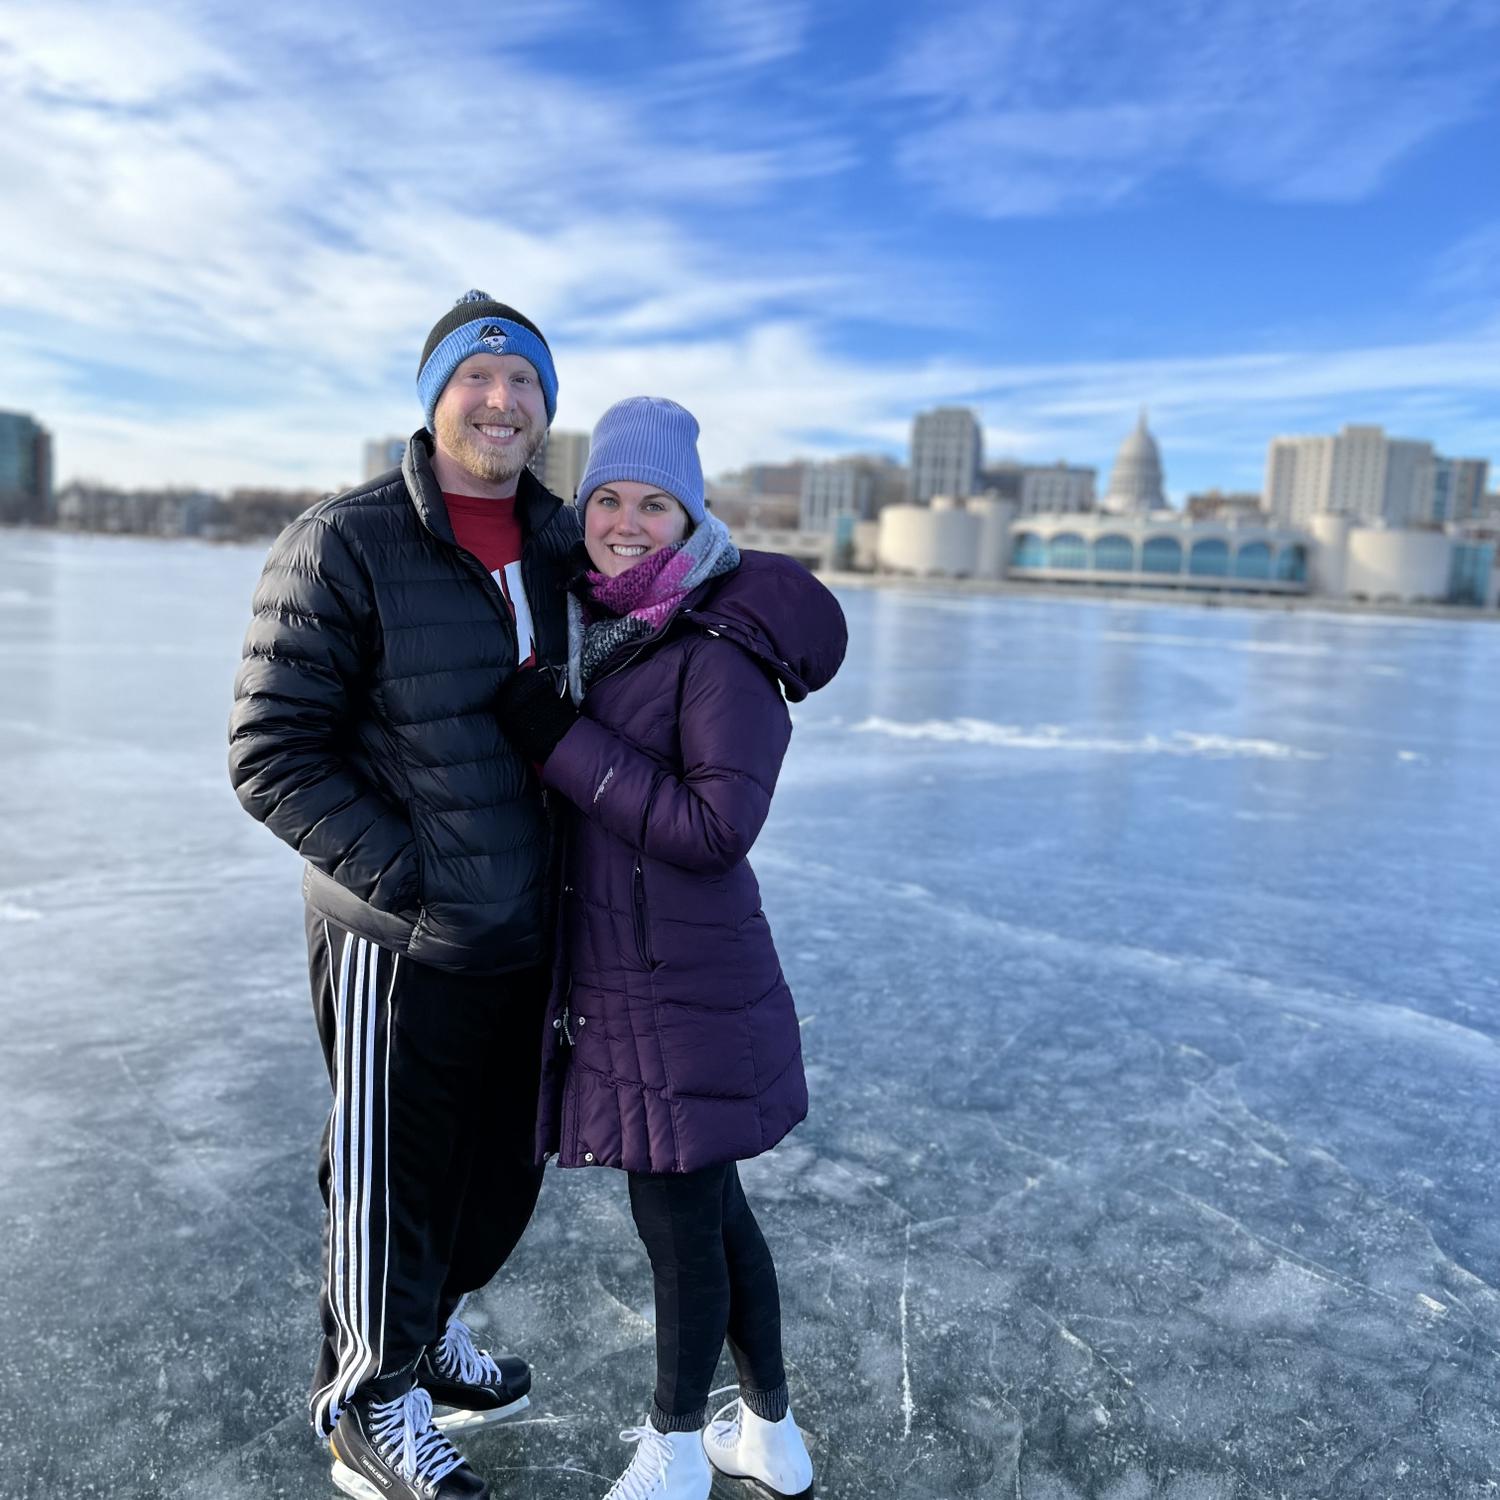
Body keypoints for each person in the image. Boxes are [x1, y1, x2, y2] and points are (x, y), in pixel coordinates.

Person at [229, 291, 581, 1500]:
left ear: (547, 407)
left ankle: (427, 1335)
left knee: (498, 1175)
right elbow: (271, 754)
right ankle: (369, 1405)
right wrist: (418, 888)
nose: (502, 401)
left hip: (535, 931)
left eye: (525, 382)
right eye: (477, 379)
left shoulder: (567, 545)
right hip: (403, 937)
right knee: (391, 1172)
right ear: (435, 399)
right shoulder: (347, 539)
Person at [496, 397, 847, 1500]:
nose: (627, 521)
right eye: (609, 498)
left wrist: (564, 743)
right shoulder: (611, 630)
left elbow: (715, 828)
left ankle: (677, 1446)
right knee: (711, 1209)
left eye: (655, 503)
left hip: (681, 980)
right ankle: (772, 1435)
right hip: (632, 976)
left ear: (692, 519)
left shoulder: (719, 652)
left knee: (678, 1221)